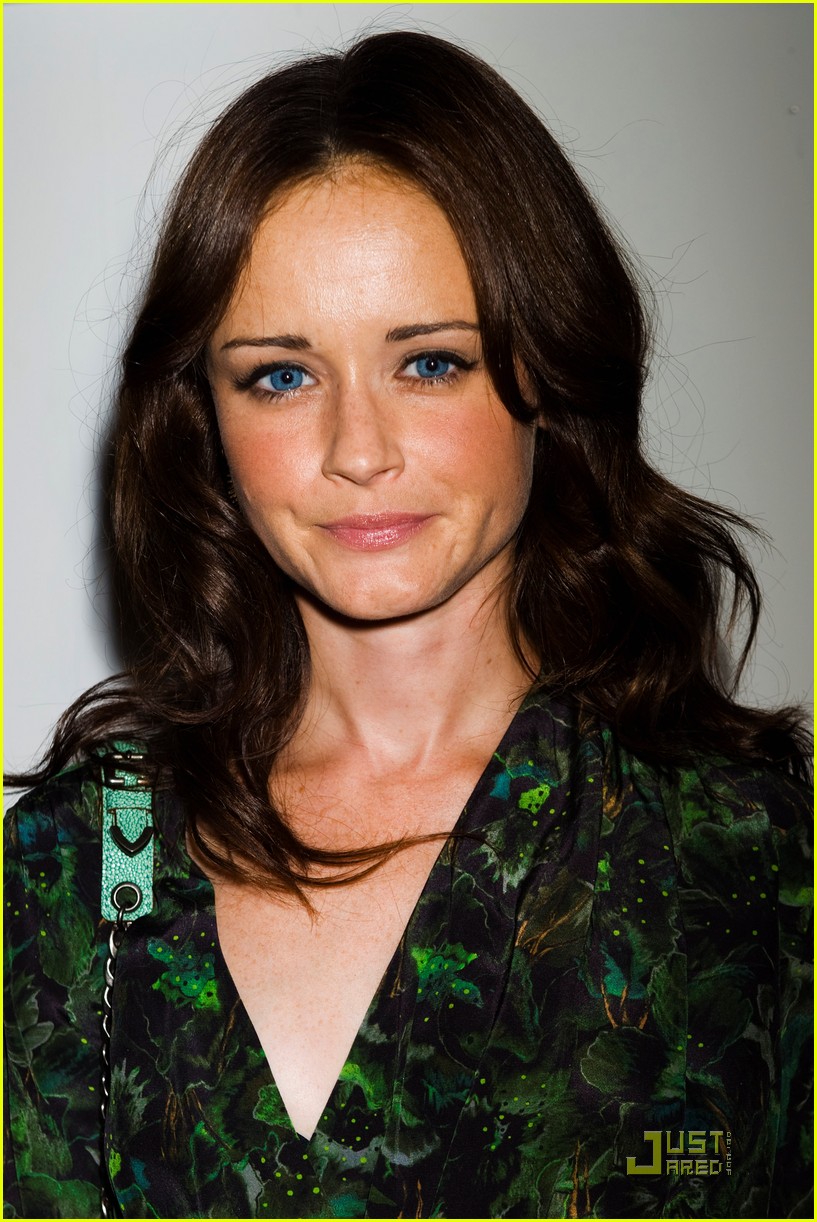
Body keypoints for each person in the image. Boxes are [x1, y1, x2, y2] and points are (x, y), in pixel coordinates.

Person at [3, 29, 811, 1221]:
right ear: (202, 417)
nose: (358, 450)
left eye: (429, 363)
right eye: (281, 375)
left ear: (547, 375)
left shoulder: (748, 853)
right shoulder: (78, 861)